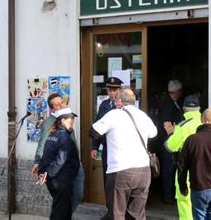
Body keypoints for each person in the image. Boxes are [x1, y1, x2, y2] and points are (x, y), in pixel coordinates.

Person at [91, 88, 157, 219]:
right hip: (143, 171)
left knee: (117, 213)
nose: (114, 102)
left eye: (115, 99)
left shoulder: (114, 114)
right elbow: (153, 133)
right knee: (137, 215)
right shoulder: (143, 115)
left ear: (120, 101)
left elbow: (93, 131)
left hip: (121, 171)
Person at [30, 93, 84, 212]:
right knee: (63, 199)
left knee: (78, 196)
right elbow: (43, 144)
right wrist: (38, 162)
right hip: (61, 169)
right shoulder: (49, 123)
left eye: (62, 102)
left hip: (74, 165)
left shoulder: (66, 118)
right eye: (58, 105)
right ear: (52, 109)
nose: (62, 105)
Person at [37, 107, 80, 220]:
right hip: (61, 180)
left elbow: (45, 157)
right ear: (62, 120)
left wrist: (43, 173)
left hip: (55, 179)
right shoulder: (64, 137)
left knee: (63, 210)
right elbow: (60, 160)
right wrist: (48, 174)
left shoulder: (52, 135)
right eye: (70, 118)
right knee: (60, 212)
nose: (73, 121)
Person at [89, 76, 122, 219]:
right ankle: (110, 211)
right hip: (107, 149)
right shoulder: (104, 105)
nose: (112, 92)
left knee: (119, 181)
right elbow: (97, 125)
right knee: (108, 181)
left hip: (121, 150)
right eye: (109, 89)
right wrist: (94, 146)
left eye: (114, 89)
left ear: (120, 90)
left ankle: (119, 212)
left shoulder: (124, 107)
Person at [164, 95, 202, 220]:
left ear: (184, 108)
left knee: (186, 206)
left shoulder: (182, 126)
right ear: (199, 109)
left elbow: (170, 147)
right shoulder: (205, 123)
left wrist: (171, 133)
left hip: (186, 174)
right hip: (205, 173)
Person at [157, 79, 184, 205]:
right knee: (168, 168)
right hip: (168, 142)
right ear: (177, 91)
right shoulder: (168, 104)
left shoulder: (172, 103)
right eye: (180, 91)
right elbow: (167, 124)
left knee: (171, 168)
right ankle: (167, 195)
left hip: (172, 141)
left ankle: (170, 194)